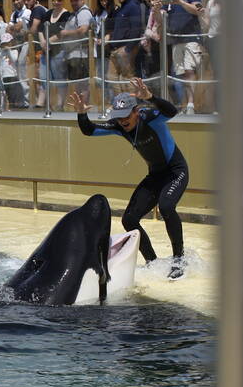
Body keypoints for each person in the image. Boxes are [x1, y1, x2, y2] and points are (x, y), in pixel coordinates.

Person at [67, 78, 189, 279]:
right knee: (129, 219)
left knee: (167, 207)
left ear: (136, 112)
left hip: (176, 171)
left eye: (126, 115)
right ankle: (152, 261)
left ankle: (178, 259)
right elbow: (89, 130)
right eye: (119, 116)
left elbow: (171, 112)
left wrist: (151, 97)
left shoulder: (150, 118)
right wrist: (81, 113)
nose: (123, 121)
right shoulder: (118, 126)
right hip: (155, 175)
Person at [163, 0, 204, 114]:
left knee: (189, 70)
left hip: (191, 38)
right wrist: (156, 11)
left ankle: (191, 105)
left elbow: (198, 10)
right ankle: (185, 105)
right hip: (176, 40)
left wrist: (180, 2)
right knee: (180, 74)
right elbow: (161, 19)